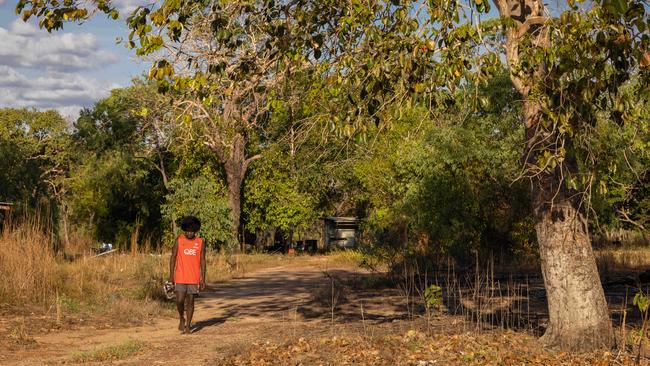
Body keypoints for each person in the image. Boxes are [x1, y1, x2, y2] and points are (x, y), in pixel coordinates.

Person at [169, 215, 206, 334]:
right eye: (187, 231)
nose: (189, 233)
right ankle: (181, 318)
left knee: (190, 301)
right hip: (180, 275)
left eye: (192, 231)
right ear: (184, 229)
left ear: (195, 231)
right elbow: (173, 257)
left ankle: (189, 326)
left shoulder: (200, 242)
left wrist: (203, 279)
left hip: (193, 277)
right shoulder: (179, 240)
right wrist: (171, 276)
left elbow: (203, 260)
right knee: (179, 300)